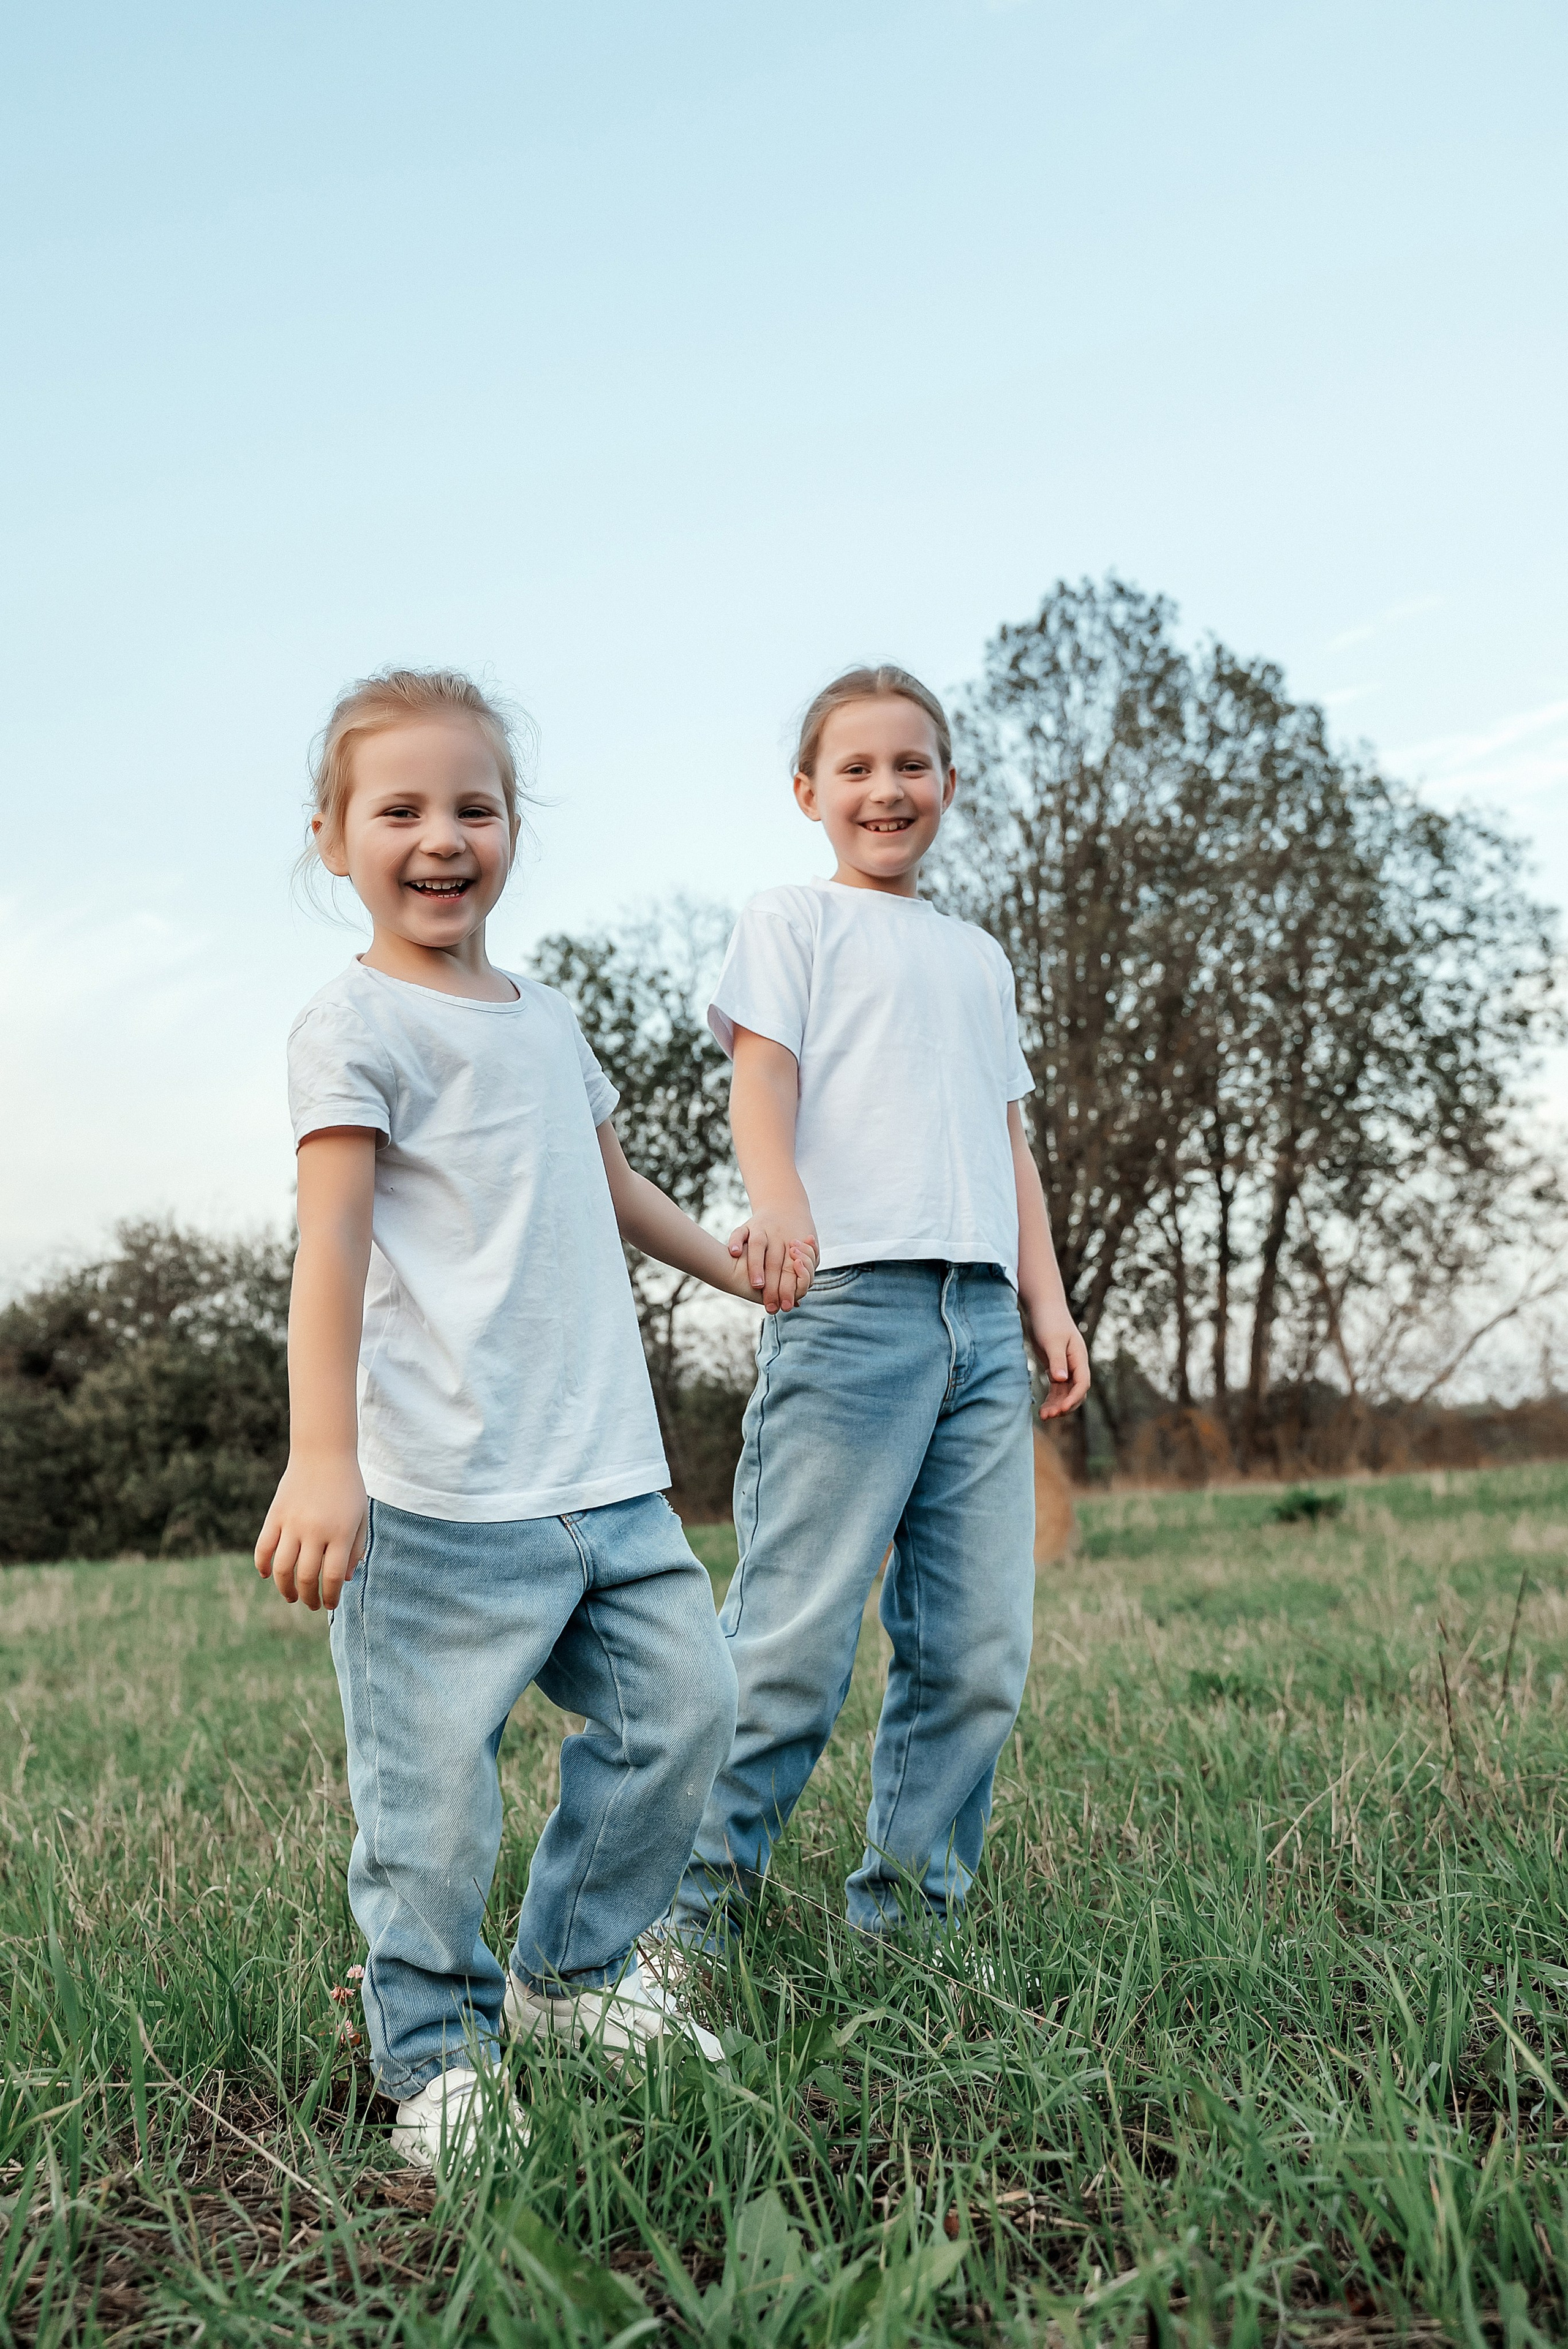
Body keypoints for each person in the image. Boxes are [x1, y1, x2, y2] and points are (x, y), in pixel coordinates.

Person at [254, 668, 812, 2170]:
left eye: (474, 808)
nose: (442, 838)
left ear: (512, 830)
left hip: (608, 1480)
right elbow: (332, 1247)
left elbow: (610, 1187)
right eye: (401, 811)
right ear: (333, 839)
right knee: (429, 1807)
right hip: (438, 1498)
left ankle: (568, 1976)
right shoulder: (351, 1025)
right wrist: (325, 1456)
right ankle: (433, 2052)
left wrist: (729, 1260)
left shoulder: (547, 1019)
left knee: (683, 1706)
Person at [660, 664, 1089, 1955]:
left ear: (946, 787)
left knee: (974, 1653)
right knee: (789, 1644)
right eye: (854, 768)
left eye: (910, 765)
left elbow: (1005, 1139)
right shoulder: (791, 919)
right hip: (851, 1310)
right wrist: (776, 1197)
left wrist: (1044, 1299)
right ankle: (683, 1922)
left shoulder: (976, 954)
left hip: (978, 1327)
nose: (884, 789)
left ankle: (910, 1925)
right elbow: (762, 1078)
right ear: (808, 792)